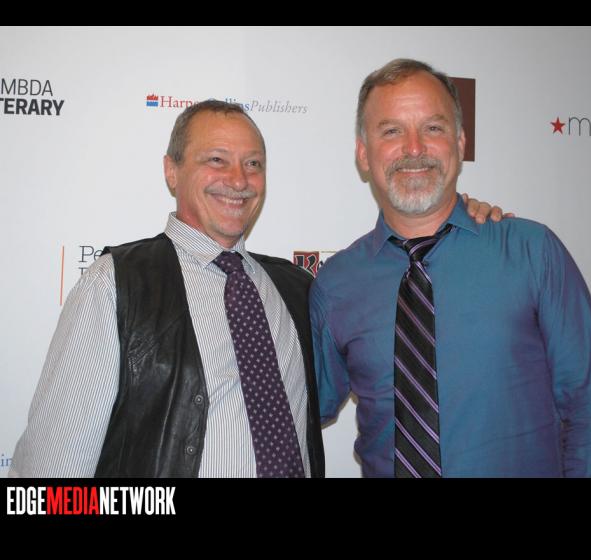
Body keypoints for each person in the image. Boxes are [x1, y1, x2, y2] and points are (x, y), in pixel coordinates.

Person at [10, 99, 500, 478]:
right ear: (171, 170)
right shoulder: (116, 283)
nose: (238, 180)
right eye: (216, 159)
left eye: (253, 164)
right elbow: (50, 477)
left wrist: (457, 218)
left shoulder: (299, 288)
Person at [309, 59, 591, 477]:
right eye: (392, 131)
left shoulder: (532, 253)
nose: (414, 148)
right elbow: (301, 408)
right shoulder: (335, 284)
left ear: (459, 142)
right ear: (364, 154)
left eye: (433, 128)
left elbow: (590, 413)